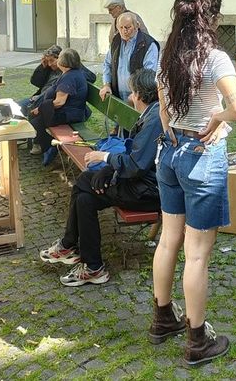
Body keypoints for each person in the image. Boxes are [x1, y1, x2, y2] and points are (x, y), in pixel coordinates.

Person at [150, 0, 236, 366]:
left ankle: (162, 319)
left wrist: (175, 125)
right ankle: (196, 340)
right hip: (202, 158)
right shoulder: (215, 58)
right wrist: (218, 118)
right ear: (213, 19)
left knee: (168, 239)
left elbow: (161, 107)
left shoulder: (166, 56)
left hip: (170, 154)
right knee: (197, 255)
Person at [40, 68, 163, 286]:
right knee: (85, 199)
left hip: (149, 192)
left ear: (141, 96)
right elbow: (134, 156)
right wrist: (110, 171)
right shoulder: (152, 113)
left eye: (133, 92)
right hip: (140, 184)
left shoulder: (154, 120)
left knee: (86, 180)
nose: (129, 96)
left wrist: (105, 159)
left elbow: (136, 165)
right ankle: (92, 265)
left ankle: (70, 245)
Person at [29, 48, 90, 158]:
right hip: (69, 112)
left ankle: (52, 145)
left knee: (34, 121)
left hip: (69, 115)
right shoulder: (71, 73)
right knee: (34, 117)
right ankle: (50, 146)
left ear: (64, 62)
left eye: (59, 58)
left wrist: (41, 108)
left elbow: (59, 102)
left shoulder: (69, 77)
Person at [100, 12, 159, 103]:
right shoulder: (116, 41)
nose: (124, 31)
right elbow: (107, 64)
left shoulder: (148, 44)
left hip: (139, 98)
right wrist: (106, 85)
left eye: (128, 27)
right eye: (121, 27)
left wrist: (137, 94)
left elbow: (148, 73)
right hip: (117, 95)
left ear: (137, 26)